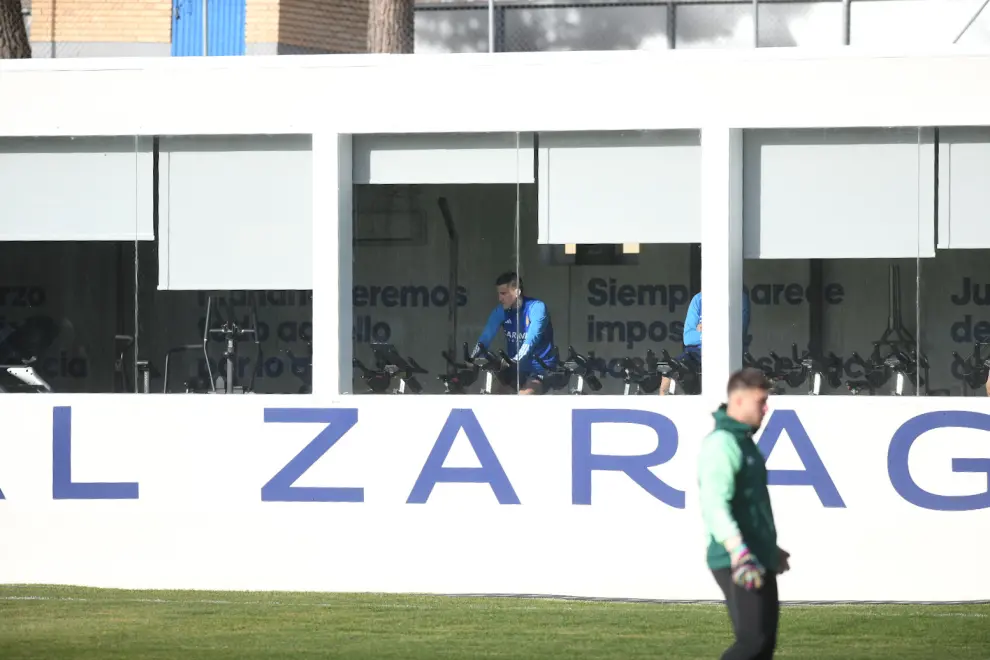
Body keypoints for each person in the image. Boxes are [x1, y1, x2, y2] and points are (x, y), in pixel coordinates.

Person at [697, 367, 790, 660]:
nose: (766, 408)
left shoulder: (744, 442)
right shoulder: (721, 443)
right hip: (735, 558)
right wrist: (739, 551)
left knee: (763, 647)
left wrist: (769, 547)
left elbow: (749, 505)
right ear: (737, 401)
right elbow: (714, 504)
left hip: (756, 554)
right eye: (760, 401)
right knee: (752, 642)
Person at [472, 272, 556, 395]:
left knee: (523, 397)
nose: (500, 298)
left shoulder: (536, 308)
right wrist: (472, 358)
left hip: (540, 368)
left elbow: (531, 339)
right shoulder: (501, 311)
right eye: (499, 294)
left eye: (503, 293)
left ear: (517, 292)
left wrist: (516, 359)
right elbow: (485, 338)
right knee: (496, 398)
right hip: (516, 369)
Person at [659, 290, 751, 395]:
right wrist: (717, 330)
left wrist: (705, 328)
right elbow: (688, 338)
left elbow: (736, 333)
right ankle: (662, 406)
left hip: (724, 353)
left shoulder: (739, 297)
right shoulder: (698, 299)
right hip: (695, 354)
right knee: (665, 367)